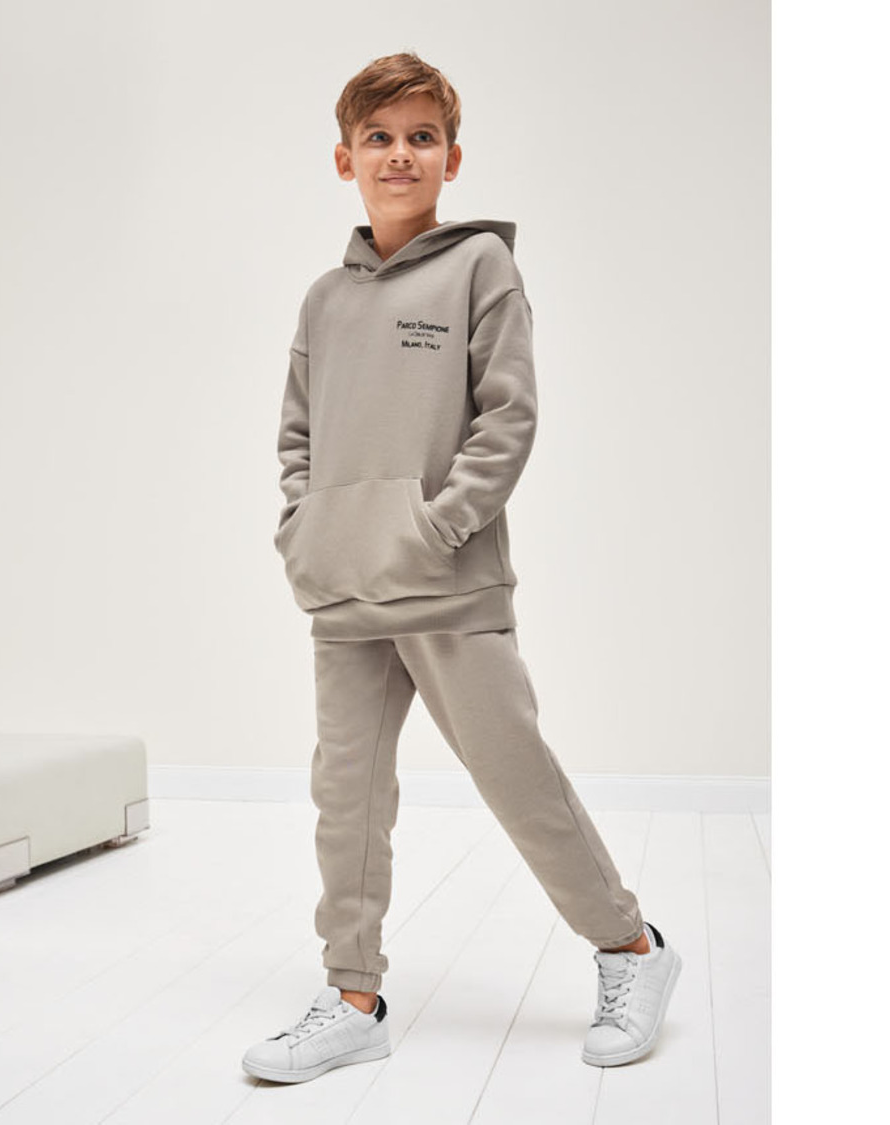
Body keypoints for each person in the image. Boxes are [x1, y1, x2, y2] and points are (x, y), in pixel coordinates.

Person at [241, 52, 683, 1084]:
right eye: (379, 138)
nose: (400, 155)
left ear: (452, 157)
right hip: (343, 581)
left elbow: (508, 418)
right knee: (346, 794)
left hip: (445, 580)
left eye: (422, 137)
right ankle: (353, 995)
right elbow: (297, 433)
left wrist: (439, 528)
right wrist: (305, 525)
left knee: (513, 773)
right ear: (344, 159)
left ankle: (632, 948)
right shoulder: (324, 299)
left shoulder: (481, 266)